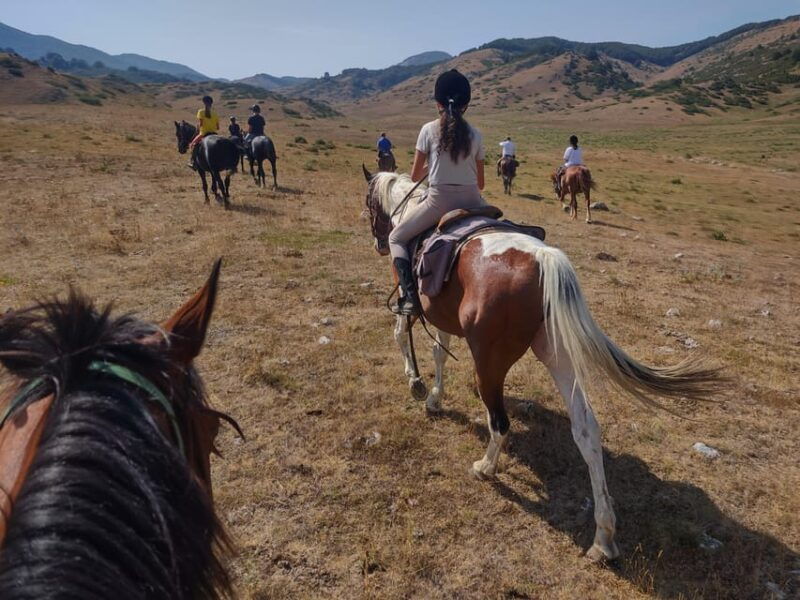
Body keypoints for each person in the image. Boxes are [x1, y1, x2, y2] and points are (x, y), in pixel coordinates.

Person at [388, 69, 486, 316]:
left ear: (438, 103)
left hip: (439, 201)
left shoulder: (428, 130)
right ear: (467, 104)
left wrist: (434, 167)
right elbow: (481, 183)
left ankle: (410, 298)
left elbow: (413, 176)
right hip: (475, 200)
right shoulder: (476, 134)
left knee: (396, 238)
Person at [188, 95, 219, 169]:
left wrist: (198, 127)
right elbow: (218, 127)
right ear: (211, 103)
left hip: (203, 133)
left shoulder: (200, 111)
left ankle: (193, 162)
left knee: (193, 145)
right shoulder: (215, 113)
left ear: (204, 103)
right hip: (214, 133)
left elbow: (201, 124)